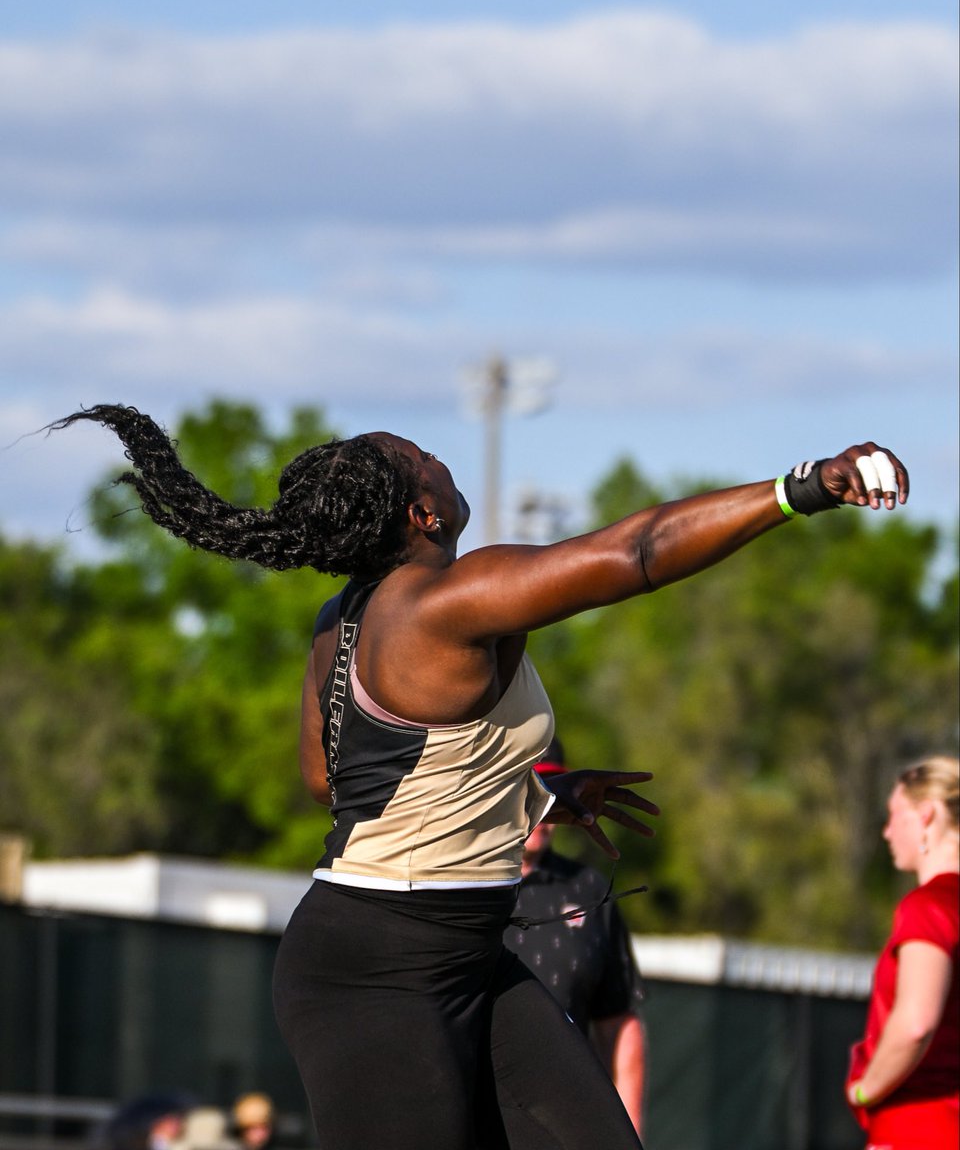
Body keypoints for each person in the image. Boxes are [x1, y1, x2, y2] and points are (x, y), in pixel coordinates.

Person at [52, 405, 907, 1150]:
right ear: (422, 512)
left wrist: (531, 793)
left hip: (461, 954)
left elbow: (333, 783)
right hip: (376, 973)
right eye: (423, 455)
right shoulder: (446, 601)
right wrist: (805, 488)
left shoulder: (340, 621)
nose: (438, 454)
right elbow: (637, 551)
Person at [504, 736, 647, 1137]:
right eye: (531, 787)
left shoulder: (588, 890)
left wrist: (629, 1136)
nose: (543, 804)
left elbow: (619, 1023)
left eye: (552, 789)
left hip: (563, 1126)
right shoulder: (454, 884)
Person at [846, 756, 959, 1148]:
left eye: (895, 814)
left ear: (926, 815)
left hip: (920, 1129)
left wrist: (864, 1090)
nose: (887, 831)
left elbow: (915, 1024)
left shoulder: (929, 907)